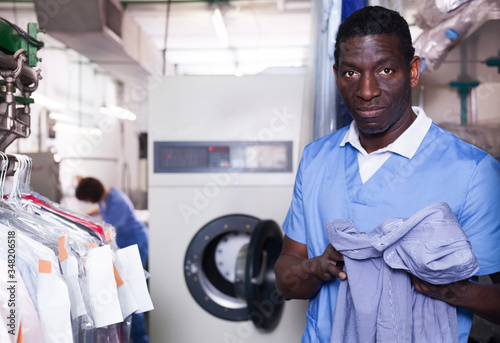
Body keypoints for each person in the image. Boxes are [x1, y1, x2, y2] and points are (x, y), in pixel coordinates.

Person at [274, 6, 500, 343]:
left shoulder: (473, 171)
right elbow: (285, 280)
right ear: (336, 74)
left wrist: (453, 292)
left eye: (385, 70)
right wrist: (317, 266)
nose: (366, 91)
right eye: (351, 73)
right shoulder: (317, 158)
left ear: (412, 71)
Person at [76, 177, 150, 343]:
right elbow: (100, 209)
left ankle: (141, 338)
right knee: (127, 290)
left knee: (132, 291)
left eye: (87, 199)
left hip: (135, 242)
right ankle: (135, 335)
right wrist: (81, 216)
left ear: (91, 194)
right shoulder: (107, 196)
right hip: (126, 243)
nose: (88, 202)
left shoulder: (115, 201)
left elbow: (107, 231)